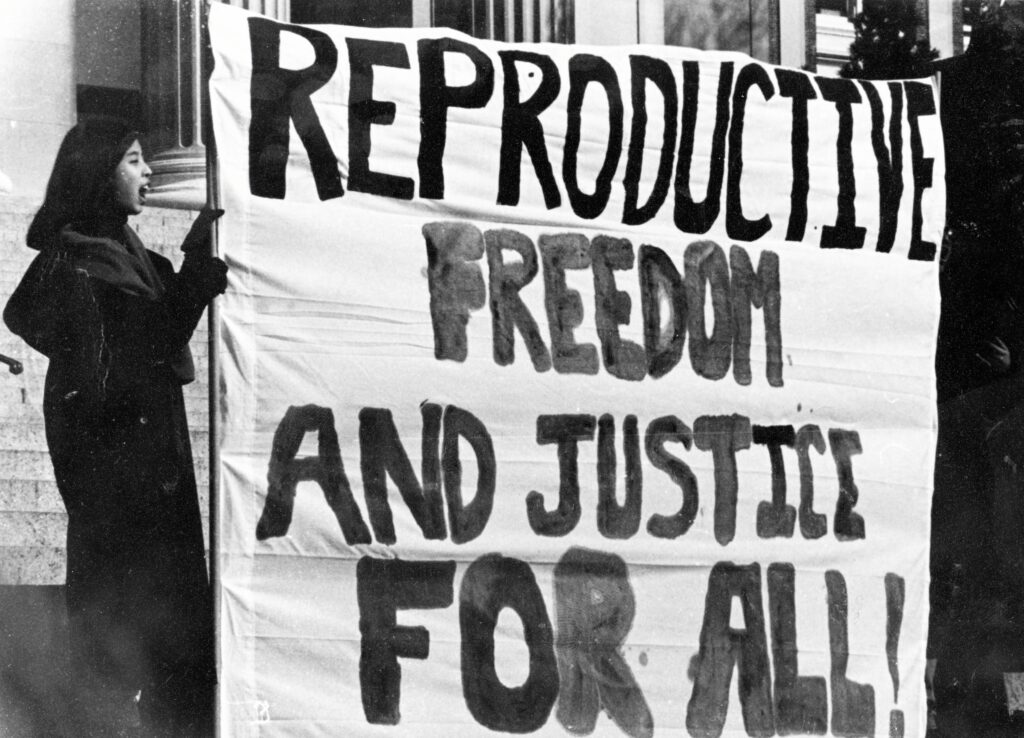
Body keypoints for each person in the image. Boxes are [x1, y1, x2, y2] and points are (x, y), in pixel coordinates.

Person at [4, 117, 228, 736]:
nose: (149, 170)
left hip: (158, 486)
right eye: (133, 160)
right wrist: (190, 294)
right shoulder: (73, 266)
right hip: (120, 499)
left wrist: (190, 269)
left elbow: (147, 327)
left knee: (176, 662)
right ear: (98, 174)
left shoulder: (138, 262)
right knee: (116, 656)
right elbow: (134, 351)